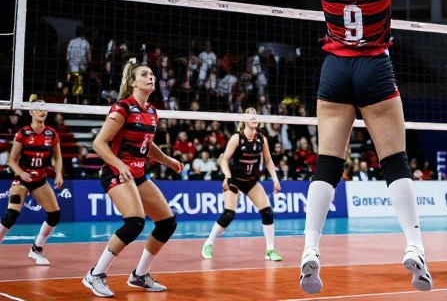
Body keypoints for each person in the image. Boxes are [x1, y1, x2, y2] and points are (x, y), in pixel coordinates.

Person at [299, 0, 435, 294]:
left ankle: (310, 250)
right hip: (374, 67)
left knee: (327, 163)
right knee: (395, 161)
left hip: (335, 70)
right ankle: (414, 246)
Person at [82, 60, 183, 297]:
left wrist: (167, 160)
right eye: (144, 74)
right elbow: (99, 144)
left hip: (137, 174)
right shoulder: (122, 108)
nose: (151, 77)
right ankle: (95, 274)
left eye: (152, 74)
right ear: (133, 82)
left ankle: (140, 275)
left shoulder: (152, 112)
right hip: (115, 172)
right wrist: (120, 166)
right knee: (135, 222)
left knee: (167, 223)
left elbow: (146, 145)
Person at [202, 107, 282, 260]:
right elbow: (224, 160)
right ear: (244, 120)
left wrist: (275, 179)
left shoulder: (261, 139)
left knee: (268, 212)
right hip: (234, 180)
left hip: (251, 181)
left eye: (255, 115)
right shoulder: (236, 138)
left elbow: (268, 160)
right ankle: (208, 243)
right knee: (229, 214)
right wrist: (227, 176)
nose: (254, 118)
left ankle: (270, 249)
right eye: (250, 116)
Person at [0, 95, 64, 265]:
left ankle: (37, 248)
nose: (42, 112)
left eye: (44, 109)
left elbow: (57, 157)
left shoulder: (51, 133)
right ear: (31, 112)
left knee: (55, 215)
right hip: (21, 180)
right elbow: (12, 161)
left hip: (39, 180)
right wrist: (22, 174)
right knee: (11, 215)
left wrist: (58, 173)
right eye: (38, 109)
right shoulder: (23, 133)